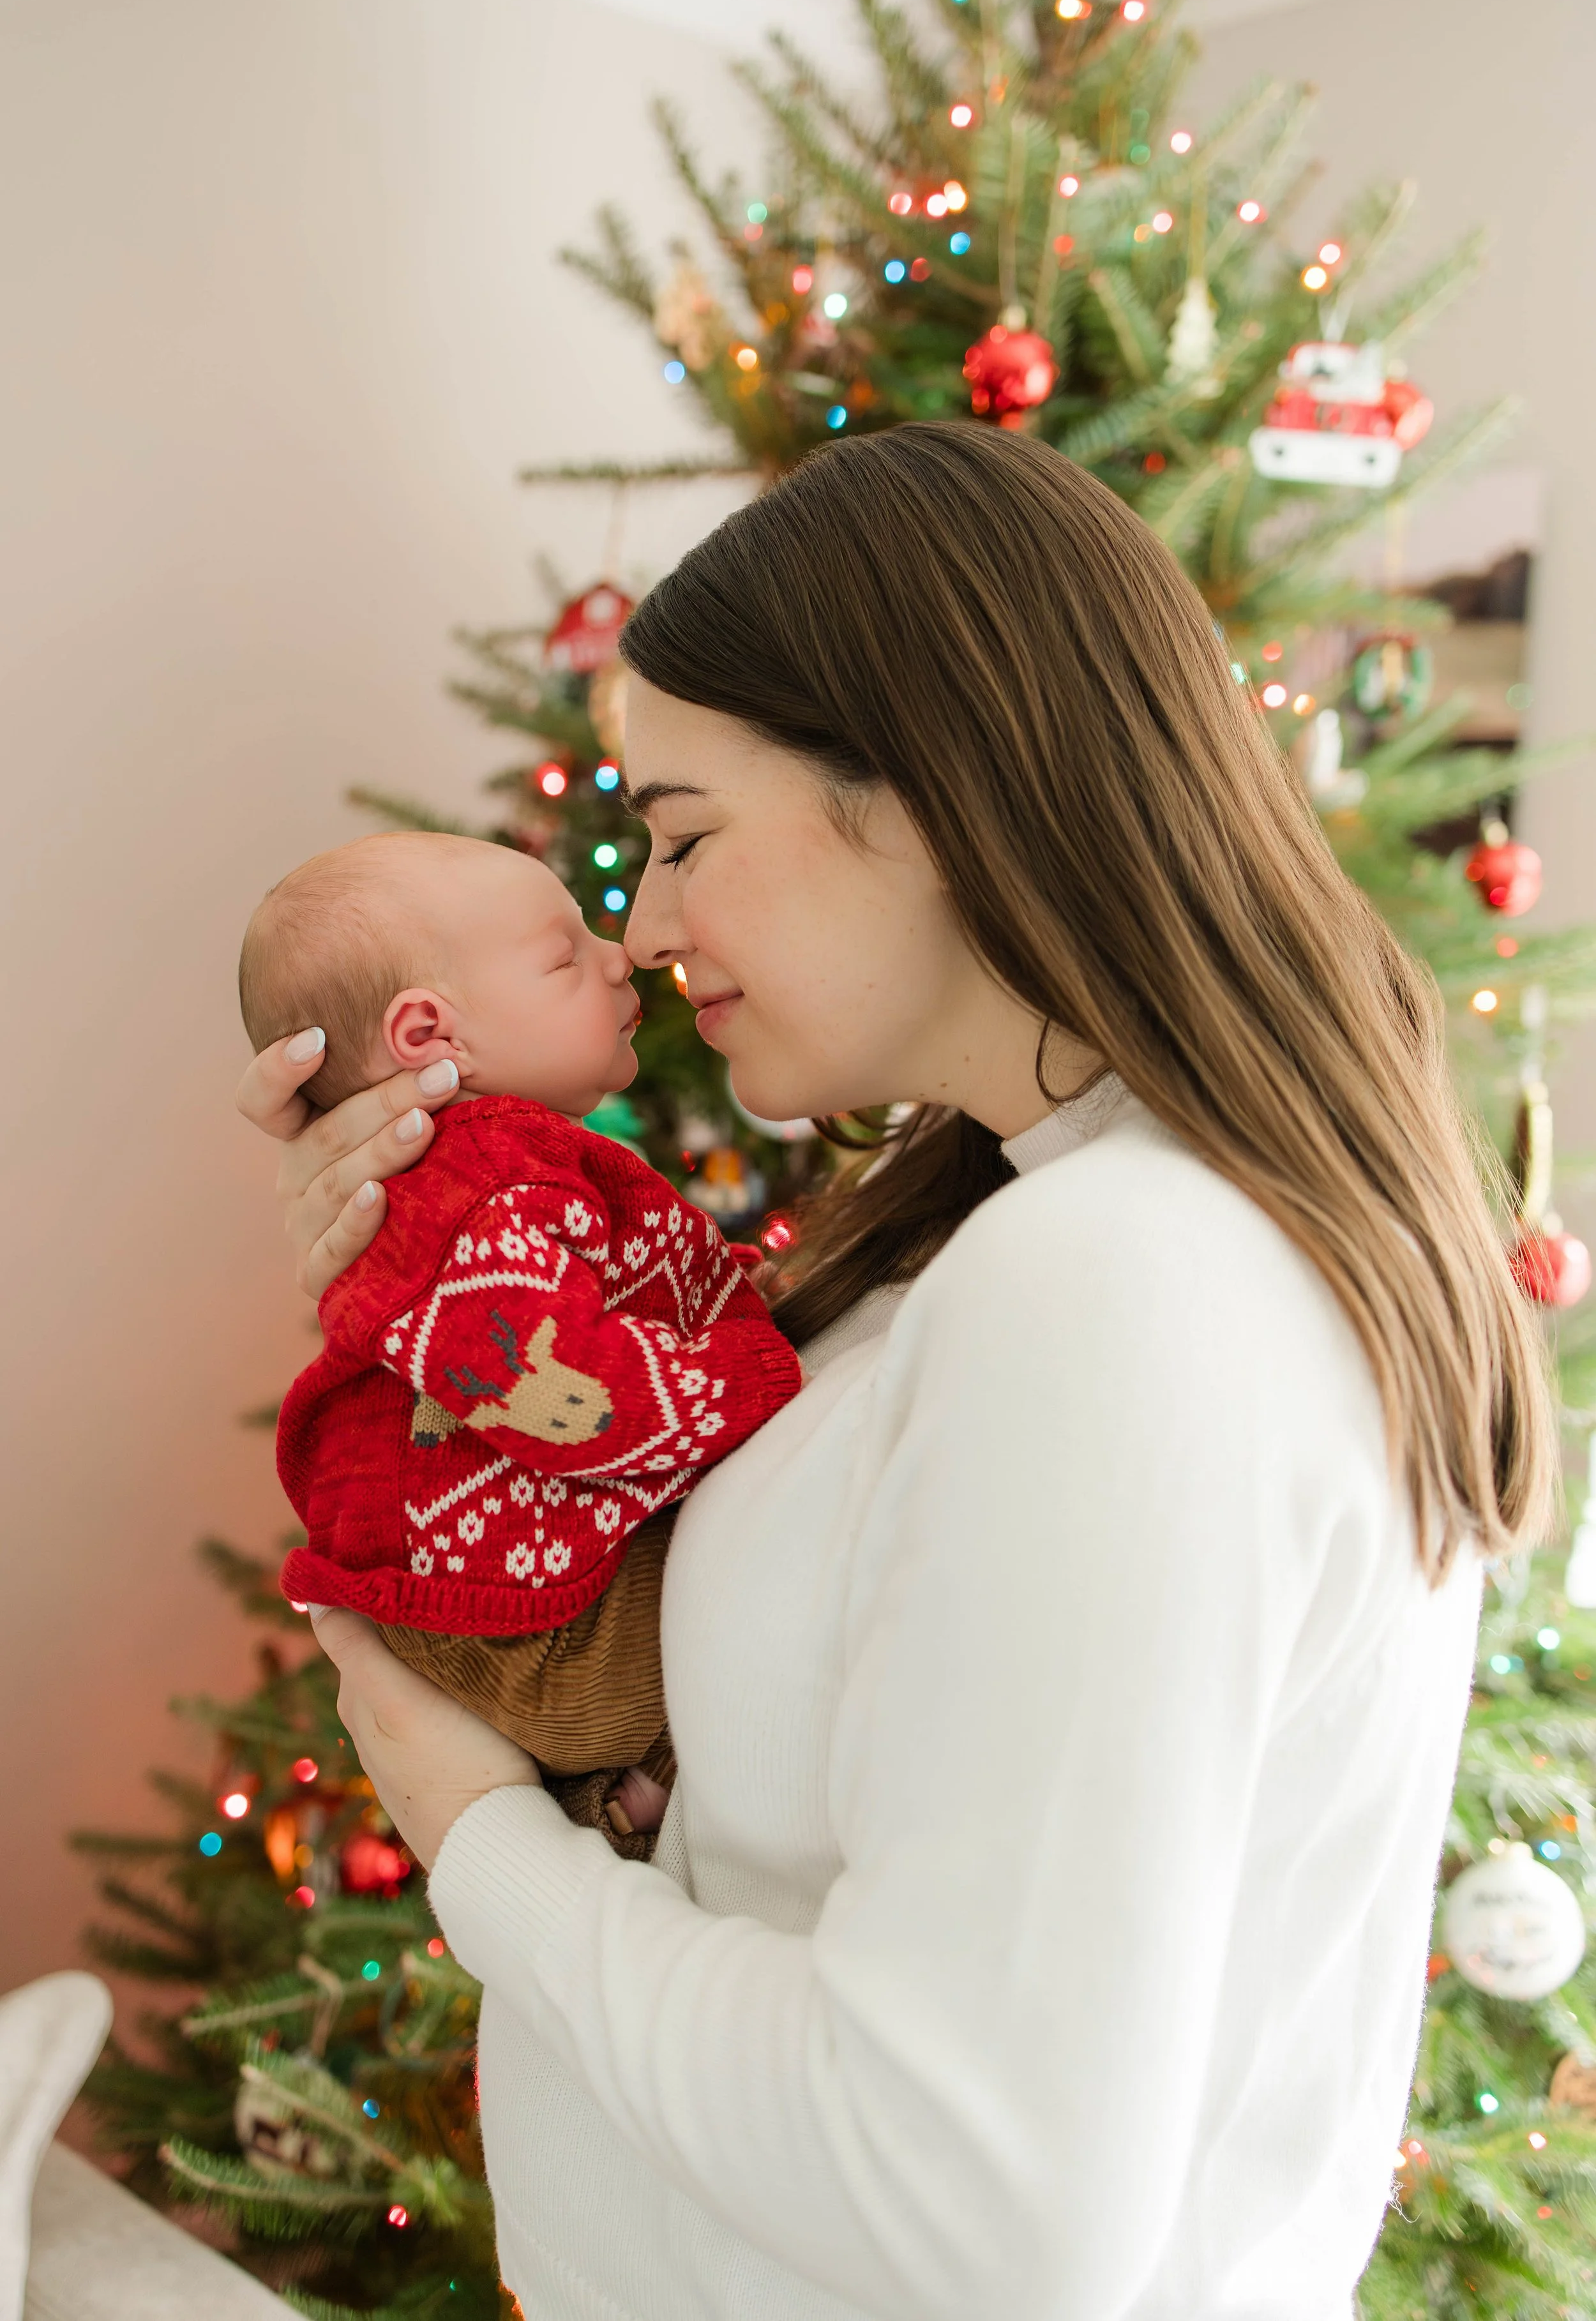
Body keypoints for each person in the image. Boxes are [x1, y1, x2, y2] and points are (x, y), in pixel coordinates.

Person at [238, 424, 1553, 2321]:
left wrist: (478, 1842)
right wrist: (420, 1239)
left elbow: (968, 2205)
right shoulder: (1002, 1231)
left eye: (684, 832)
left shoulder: (1122, 1284)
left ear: (933, 787)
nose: (647, 927)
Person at [237, 832, 800, 1852]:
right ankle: (627, 1789)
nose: (618, 953)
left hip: (508, 1602)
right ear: (429, 1032)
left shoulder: (499, 1168)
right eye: (563, 955)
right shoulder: (476, 1187)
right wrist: (755, 1364)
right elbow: (562, 1390)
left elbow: (601, 1299)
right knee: (741, 1626)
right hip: (535, 1632)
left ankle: (615, 1799)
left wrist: (716, 1303)